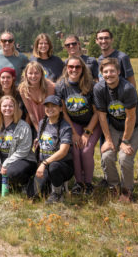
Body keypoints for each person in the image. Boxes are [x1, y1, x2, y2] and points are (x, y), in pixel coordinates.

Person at [94, 58, 138, 202]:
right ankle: (114, 187)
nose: (109, 74)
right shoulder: (99, 88)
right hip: (115, 126)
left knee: (125, 157)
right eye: (105, 72)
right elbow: (102, 116)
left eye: (112, 71)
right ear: (101, 74)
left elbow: (131, 117)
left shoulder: (127, 89)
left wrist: (125, 141)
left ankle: (127, 191)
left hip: (136, 126)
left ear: (118, 72)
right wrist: (108, 140)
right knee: (106, 155)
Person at [55, 57, 100, 195]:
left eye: (77, 67)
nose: (74, 70)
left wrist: (87, 133)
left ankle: (88, 183)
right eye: (71, 67)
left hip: (92, 122)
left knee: (86, 150)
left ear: (83, 68)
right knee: (75, 149)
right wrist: (74, 132)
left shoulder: (91, 85)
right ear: (66, 68)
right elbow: (64, 111)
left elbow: (97, 112)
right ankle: (78, 183)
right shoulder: (61, 86)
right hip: (73, 122)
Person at [0, 96, 36, 194]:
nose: (7, 108)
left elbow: (23, 151)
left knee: (12, 172)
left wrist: (6, 164)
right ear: (0, 108)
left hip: (23, 160)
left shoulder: (23, 126)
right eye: (4, 106)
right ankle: (10, 183)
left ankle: (25, 182)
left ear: (15, 108)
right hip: (1, 161)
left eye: (10, 106)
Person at [34, 95, 74, 204]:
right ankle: (49, 186)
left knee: (54, 166)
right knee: (34, 195)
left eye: (54, 106)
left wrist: (44, 163)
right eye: (47, 106)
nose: (50, 109)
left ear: (61, 109)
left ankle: (57, 193)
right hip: (44, 164)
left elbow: (63, 151)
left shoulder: (65, 127)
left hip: (62, 165)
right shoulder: (43, 123)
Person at [18, 61, 55, 133]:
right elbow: (31, 113)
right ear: (26, 74)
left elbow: (50, 111)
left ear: (41, 74)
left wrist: (46, 131)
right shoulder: (23, 89)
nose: (33, 76)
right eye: (30, 73)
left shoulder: (50, 86)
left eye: (36, 73)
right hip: (36, 124)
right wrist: (39, 131)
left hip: (51, 122)